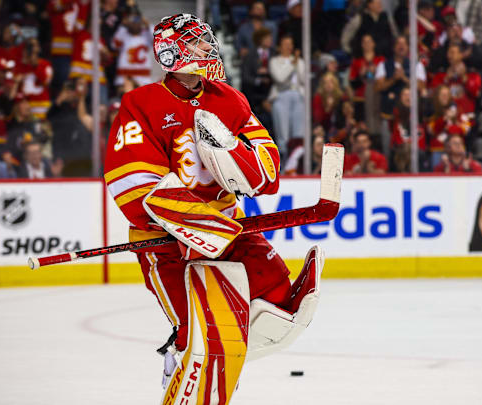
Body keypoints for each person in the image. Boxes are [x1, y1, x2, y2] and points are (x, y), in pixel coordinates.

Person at [104, 14, 323, 404]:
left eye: (207, 41)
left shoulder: (228, 98)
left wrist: (235, 154)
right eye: (197, 42)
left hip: (227, 229)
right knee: (199, 334)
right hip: (164, 241)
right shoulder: (141, 104)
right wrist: (196, 222)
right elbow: (133, 188)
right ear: (172, 52)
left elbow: (268, 170)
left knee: (277, 298)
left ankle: (223, 360)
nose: (209, 49)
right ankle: (188, 360)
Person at [269, 35, 306, 157]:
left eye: (290, 44)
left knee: (298, 133)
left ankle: (296, 162)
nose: (289, 47)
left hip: (298, 96)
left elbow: (304, 80)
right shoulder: (274, 61)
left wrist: (297, 62)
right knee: (282, 134)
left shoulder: (300, 61)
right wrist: (292, 64)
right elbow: (280, 78)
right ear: (280, 47)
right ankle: (283, 162)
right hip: (281, 96)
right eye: (286, 44)